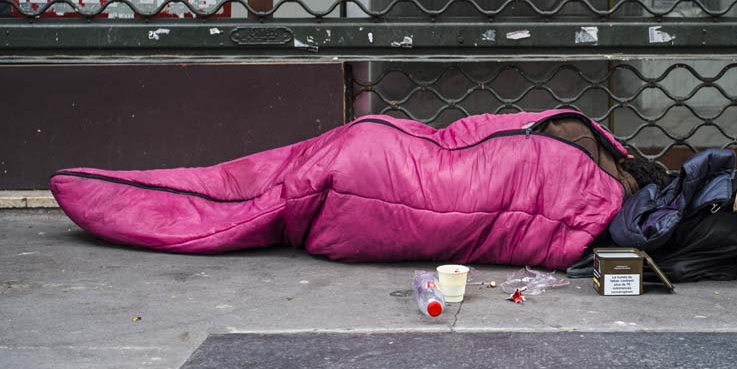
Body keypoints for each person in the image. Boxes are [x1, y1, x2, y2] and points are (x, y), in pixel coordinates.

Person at [50, 108, 672, 270]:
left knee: (238, 190)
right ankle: (93, 192)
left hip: (379, 151)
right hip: (374, 175)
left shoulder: (583, 139)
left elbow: (480, 141)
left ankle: (91, 189)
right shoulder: (588, 207)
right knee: (240, 207)